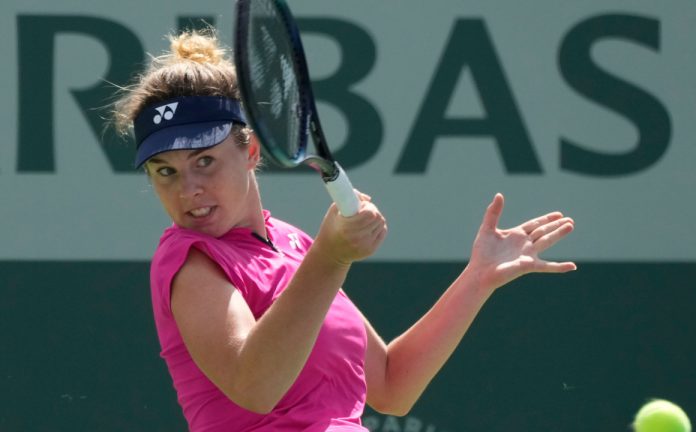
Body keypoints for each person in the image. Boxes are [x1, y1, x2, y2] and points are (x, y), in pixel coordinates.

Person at [113, 29, 576, 432]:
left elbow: (392, 386)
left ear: (251, 151)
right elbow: (254, 387)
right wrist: (330, 257)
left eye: (204, 161)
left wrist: (477, 278)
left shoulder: (294, 245)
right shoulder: (189, 260)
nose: (188, 189)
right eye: (164, 171)